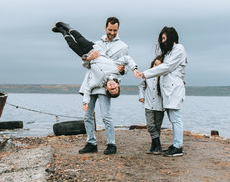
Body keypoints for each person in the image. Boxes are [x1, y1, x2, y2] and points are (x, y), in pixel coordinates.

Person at [53, 17, 136, 155]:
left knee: (106, 116)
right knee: (88, 115)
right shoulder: (97, 43)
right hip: (91, 81)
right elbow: (87, 64)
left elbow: (125, 67)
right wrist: (88, 59)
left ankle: (111, 144)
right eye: (110, 29)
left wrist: (123, 70)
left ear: (118, 29)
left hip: (107, 84)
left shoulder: (123, 47)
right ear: (105, 28)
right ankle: (91, 142)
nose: (112, 32)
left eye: (115, 30)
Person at [140, 27, 188, 157]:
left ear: (172, 37)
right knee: (173, 118)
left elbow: (166, 67)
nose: (162, 41)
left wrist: (146, 73)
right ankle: (176, 144)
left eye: (164, 38)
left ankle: (178, 146)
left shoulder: (178, 49)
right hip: (168, 91)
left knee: (175, 118)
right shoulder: (169, 53)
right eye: (161, 38)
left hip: (174, 90)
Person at [138, 55, 164, 155]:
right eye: (154, 64)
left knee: (157, 127)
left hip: (160, 105)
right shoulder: (147, 74)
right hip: (148, 104)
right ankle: (158, 145)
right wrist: (141, 96)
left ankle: (154, 147)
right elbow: (141, 86)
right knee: (150, 126)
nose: (155, 67)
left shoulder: (163, 76)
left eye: (158, 65)